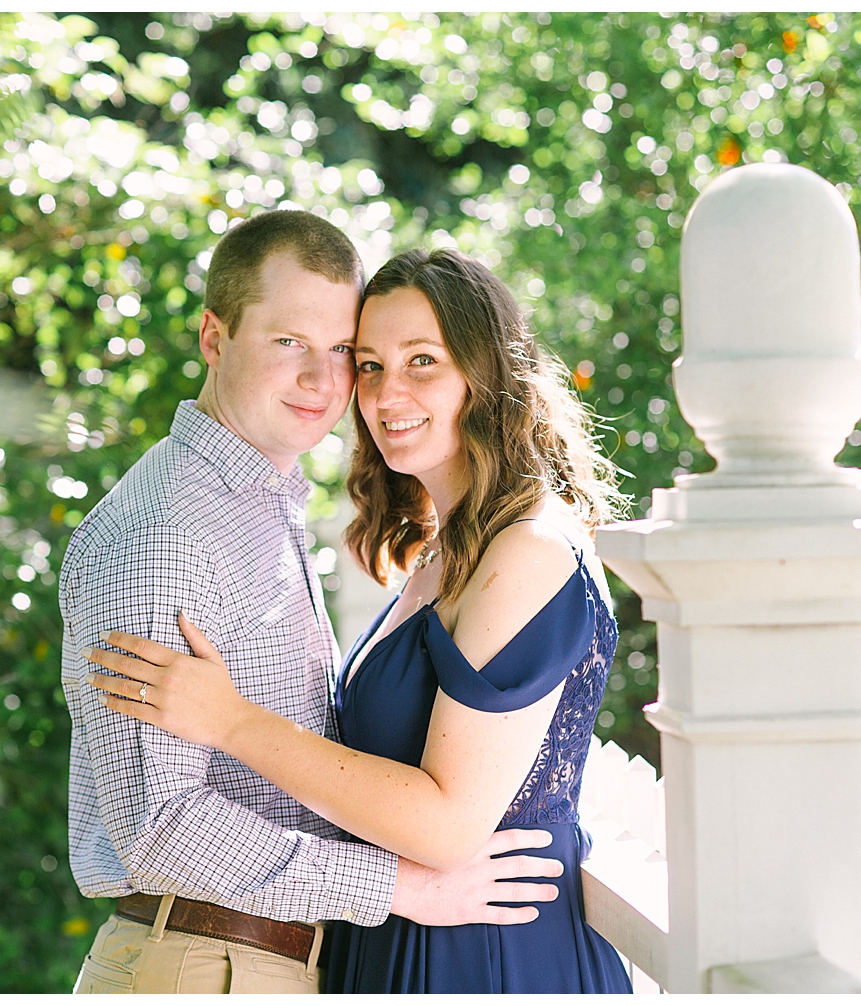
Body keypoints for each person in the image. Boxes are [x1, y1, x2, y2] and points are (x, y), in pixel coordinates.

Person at [89, 247, 634, 993]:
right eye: (370, 364)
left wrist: (234, 723)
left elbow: (448, 827)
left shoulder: (528, 549)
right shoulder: (445, 551)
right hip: (398, 939)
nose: (383, 392)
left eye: (421, 361)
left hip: (486, 956)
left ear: (487, 373)